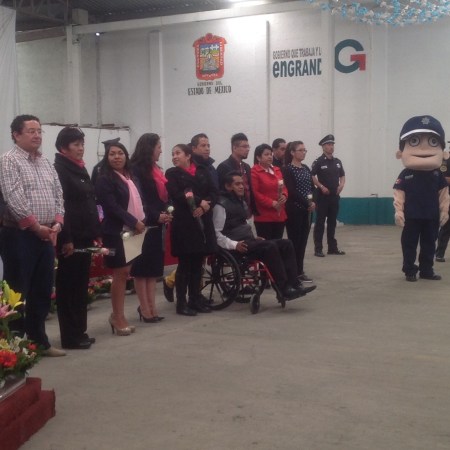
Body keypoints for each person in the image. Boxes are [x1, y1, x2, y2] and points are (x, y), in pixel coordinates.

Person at [0, 114, 65, 357]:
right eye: (31, 131)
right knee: (17, 293)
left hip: (46, 235)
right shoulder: (9, 161)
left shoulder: (45, 162)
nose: (37, 135)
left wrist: (57, 222)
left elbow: (58, 193)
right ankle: (15, 347)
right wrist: (36, 227)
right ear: (16, 135)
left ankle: (39, 342)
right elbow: (13, 197)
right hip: (19, 236)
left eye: (39, 131)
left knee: (42, 291)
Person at [213, 172, 316, 301]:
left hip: (247, 242)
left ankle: (294, 283)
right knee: (269, 246)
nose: (242, 187)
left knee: (286, 243)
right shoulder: (221, 205)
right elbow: (216, 233)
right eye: (237, 184)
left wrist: (253, 238)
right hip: (235, 246)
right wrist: (234, 245)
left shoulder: (240, 202)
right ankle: (283, 289)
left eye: (242, 184)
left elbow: (243, 225)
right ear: (228, 186)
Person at [54, 127, 102, 350]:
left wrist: (95, 232)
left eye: (82, 144)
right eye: (76, 144)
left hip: (85, 236)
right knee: (69, 287)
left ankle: (80, 331)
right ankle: (70, 336)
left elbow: (90, 203)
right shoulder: (60, 170)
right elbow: (63, 208)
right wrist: (67, 239)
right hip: (71, 238)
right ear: (63, 148)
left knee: (81, 286)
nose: (81, 148)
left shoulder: (79, 168)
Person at [95, 142, 146, 335]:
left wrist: (141, 221)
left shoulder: (132, 177)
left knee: (126, 273)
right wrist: (134, 222)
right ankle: (117, 317)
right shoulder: (104, 179)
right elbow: (112, 207)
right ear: (107, 158)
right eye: (112, 154)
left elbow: (140, 201)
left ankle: (118, 315)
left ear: (126, 156)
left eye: (120, 153)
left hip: (134, 230)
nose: (116, 157)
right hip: (115, 231)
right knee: (120, 273)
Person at [163, 132, 218, 302]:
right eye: (173, 154)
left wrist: (206, 205)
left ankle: (195, 298)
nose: (174, 156)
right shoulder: (172, 174)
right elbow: (178, 194)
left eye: (178, 153)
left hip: (202, 221)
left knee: (197, 264)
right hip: (184, 224)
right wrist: (200, 201)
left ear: (188, 156)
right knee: (185, 265)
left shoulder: (203, 171)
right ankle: (182, 302)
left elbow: (214, 192)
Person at [393, 115, 449, 281]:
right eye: (414, 141)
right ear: (401, 152)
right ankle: (409, 270)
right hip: (412, 216)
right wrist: (399, 211)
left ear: (443, 152)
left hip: (431, 216)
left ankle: (426, 270)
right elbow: (399, 193)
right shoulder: (406, 174)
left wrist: (444, 211)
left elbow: (444, 195)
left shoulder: (437, 174)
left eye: (433, 141)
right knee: (409, 244)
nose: (424, 148)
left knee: (429, 244)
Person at [130, 133, 172, 323]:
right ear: (149, 148)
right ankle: (145, 308)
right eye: (158, 147)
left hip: (157, 224)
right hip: (142, 224)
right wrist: (155, 215)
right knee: (141, 269)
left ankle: (152, 307)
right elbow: (139, 199)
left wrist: (167, 211)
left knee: (153, 270)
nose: (161, 151)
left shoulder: (156, 170)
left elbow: (163, 196)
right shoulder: (135, 170)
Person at [283, 141, 315, 283]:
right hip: (294, 210)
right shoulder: (288, 169)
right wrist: (307, 203)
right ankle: (292, 272)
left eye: (304, 150)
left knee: (303, 242)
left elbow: (311, 188)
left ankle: (300, 271)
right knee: (295, 242)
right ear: (292, 152)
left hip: (307, 210)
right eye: (300, 150)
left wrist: (313, 202)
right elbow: (291, 191)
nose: (303, 152)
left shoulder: (306, 168)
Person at [311, 134, 346, 257]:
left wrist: (341, 185)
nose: (331, 147)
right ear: (323, 147)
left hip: (334, 196)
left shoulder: (337, 162)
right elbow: (312, 176)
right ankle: (318, 249)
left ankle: (332, 248)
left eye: (332, 145)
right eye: (329, 145)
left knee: (332, 222)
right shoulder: (318, 161)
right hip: (322, 197)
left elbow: (342, 175)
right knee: (320, 223)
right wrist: (321, 186)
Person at [251, 143, 287, 240]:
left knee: (278, 243)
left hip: (279, 213)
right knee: (267, 245)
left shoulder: (277, 170)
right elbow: (255, 193)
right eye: (266, 154)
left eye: (270, 154)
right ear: (258, 157)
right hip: (264, 215)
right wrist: (271, 203)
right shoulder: (254, 172)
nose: (270, 156)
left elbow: (283, 186)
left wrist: (284, 195)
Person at [217, 133, 257, 216]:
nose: (248, 149)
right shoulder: (224, 166)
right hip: (232, 212)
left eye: (248, 146)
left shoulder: (246, 167)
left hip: (247, 210)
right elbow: (222, 191)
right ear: (234, 148)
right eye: (244, 146)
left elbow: (249, 189)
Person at [435, 155, 450, 262]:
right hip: (447, 198)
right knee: (446, 226)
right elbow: (443, 179)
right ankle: (439, 254)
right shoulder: (445, 161)